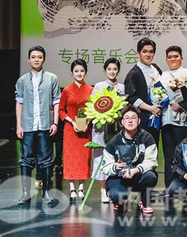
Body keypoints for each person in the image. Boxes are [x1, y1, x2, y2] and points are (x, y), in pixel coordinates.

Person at [15, 46, 61, 205]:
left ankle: (46, 192)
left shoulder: (51, 78)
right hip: (28, 125)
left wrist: (55, 122)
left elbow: (56, 102)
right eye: (33, 57)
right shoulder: (22, 80)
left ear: (44, 59)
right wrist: (18, 125)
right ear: (29, 59)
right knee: (26, 159)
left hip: (45, 125)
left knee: (46, 160)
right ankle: (25, 193)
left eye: (39, 57)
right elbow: (19, 103)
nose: (36, 59)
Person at [102, 105, 158, 215]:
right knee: (117, 195)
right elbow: (105, 167)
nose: (130, 121)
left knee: (150, 177)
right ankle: (118, 201)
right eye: (127, 118)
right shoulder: (114, 141)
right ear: (122, 122)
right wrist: (115, 167)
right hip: (119, 177)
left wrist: (136, 170)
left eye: (133, 118)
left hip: (138, 175)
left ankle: (144, 200)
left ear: (139, 121)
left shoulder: (147, 138)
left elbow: (151, 161)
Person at [159, 46, 187, 188]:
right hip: (166, 120)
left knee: (185, 155)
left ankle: (186, 187)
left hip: (182, 122)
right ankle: (170, 187)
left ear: (181, 58)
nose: (173, 59)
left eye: (176, 56)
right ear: (166, 59)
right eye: (170, 57)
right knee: (169, 156)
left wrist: (182, 106)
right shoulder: (162, 76)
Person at [90, 57, 125, 203]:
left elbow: (124, 108)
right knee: (100, 158)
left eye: (115, 69)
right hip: (101, 127)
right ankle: (103, 190)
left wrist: (117, 117)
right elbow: (92, 106)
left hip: (116, 126)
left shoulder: (122, 88)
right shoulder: (98, 86)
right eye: (109, 69)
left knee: (115, 157)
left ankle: (113, 188)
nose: (112, 72)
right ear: (105, 70)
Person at [59, 59, 93, 202]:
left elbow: (93, 110)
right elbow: (61, 110)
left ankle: (81, 187)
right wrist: (72, 122)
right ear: (72, 73)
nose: (79, 74)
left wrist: (88, 122)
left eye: (82, 71)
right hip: (70, 129)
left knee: (84, 158)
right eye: (76, 71)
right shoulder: (67, 90)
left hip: (85, 129)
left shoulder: (91, 90)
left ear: (86, 72)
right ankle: (72, 187)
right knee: (71, 158)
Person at [124, 38, 163, 145]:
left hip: (158, 116)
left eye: (151, 52)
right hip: (143, 118)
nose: (148, 55)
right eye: (144, 51)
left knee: (154, 147)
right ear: (138, 53)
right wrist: (150, 108)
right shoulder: (133, 73)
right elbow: (131, 98)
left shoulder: (156, 68)